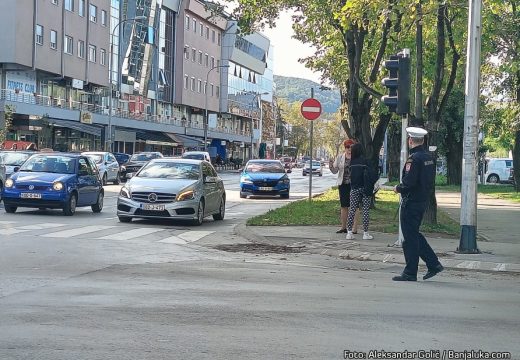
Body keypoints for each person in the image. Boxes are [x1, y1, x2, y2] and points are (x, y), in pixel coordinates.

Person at [392, 127, 444, 281]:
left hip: (411, 202)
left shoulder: (414, 159)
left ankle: (411, 272)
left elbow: (409, 182)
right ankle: (433, 264)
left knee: (409, 238)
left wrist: (398, 188)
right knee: (413, 234)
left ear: (410, 140)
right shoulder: (428, 157)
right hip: (422, 200)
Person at [329, 139, 359, 234]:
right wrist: (331, 165)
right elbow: (335, 171)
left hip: (354, 184)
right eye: (347, 147)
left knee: (355, 206)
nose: (349, 149)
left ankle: (354, 228)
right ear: (345, 148)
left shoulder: (357, 157)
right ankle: (343, 227)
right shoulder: (340, 157)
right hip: (343, 184)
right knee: (344, 205)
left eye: (351, 147)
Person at [345, 143, 373, 240]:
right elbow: (371, 175)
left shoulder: (351, 163)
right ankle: (365, 233)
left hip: (354, 188)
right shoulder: (365, 161)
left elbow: (349, 176)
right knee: (365, 210)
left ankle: (349, 232)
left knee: (352, 210)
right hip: (365, 188)